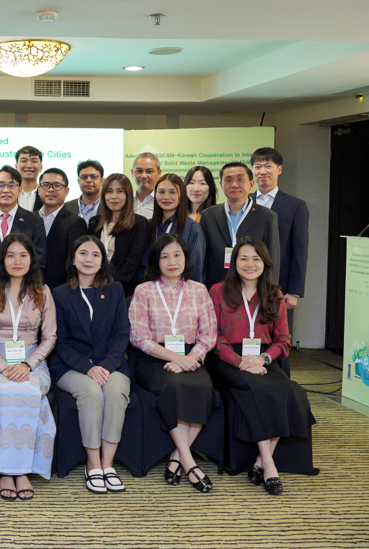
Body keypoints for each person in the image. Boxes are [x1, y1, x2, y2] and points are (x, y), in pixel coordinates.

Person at [207, 236, 315, 495]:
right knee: (259, 389)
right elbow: (213, 337)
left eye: (256, 259)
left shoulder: (274, 295)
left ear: (265, 263)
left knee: (292, 391)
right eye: (243, 258)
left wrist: (263, 358)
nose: (250, 264)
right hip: (226, 359)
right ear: (234, 262)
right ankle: (269, 464)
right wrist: (240, 362)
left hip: (262, 358)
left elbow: (283, 340)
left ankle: (260, 460)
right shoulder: (218, 291)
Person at [128, 233, 217, 492]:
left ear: (186, 258)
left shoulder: (199, 290)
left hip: (191, 356)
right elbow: (138, 337)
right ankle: (189, 462)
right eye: (164, 257)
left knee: (203, 388)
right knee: (175, 386)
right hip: (154, 358)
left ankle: (178, 457)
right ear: (156, 261)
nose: (172, 262)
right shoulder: (144, 290)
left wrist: (188, 359)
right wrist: (176, 358)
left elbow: (209, 335)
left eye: (177, 255)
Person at [0, 234, 56, 501]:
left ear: (31, 259)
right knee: (4, 392)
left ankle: (21, 471)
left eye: (23, 255)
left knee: (31, 391)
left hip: (33, 361)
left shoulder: (43, 291)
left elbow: (50, 337)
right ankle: (7, 472)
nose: (17, 261)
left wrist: (28, 364)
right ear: (2, 260)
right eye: (11, 255)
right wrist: (2, 366)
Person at [50, 235, 130, 494]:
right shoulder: (60, 294)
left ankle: (108, 464)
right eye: (83, 253)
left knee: (115, 393)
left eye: (95, 255)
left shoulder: (115, 290)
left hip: (111, 363)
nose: (89, 259)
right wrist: (88, 368)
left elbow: (121, 334)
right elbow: (61, 342)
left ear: (102, 260)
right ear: (73, 259)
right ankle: (93, 464)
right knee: (92, 393)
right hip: (71, 366)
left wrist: (105, 366)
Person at [200, 163, 280, 288]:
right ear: (221, 185)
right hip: (215, 287)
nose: (234, 185)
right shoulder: (208, 215)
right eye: (228, 180)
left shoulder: (267, 216)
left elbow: (272, 258)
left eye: (240, 179)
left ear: (251, 184)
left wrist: (270, 290)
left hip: (254, 288)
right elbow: (202, 258)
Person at [251, 148, 309, 314]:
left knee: (278, 328)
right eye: (257, 167)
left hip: (279, 285)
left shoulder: (295, 206)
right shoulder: (244, 202)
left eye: (268, 166)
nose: (262, 171)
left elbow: (300, 250)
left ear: (279, 169)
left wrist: (294, 291)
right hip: (245, 282)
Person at [0, 166, 47, 286]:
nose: (6, 190)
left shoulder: (34, 222)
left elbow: (39, 261)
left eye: (11, 185)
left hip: (24, 289)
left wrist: (23, 288)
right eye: (1, 185)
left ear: (19, 189)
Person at [88, 173, 149, 297]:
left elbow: (132, 262)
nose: (114, 196)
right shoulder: (94, 223)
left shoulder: (139, 223)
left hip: (124, 291)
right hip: (94, 288)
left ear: (128, 195)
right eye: (109, 191)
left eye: (120, 191)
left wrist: (112, 287)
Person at [147, 173, 205, 284]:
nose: (166, 197)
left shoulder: (193, 229)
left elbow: (195, 270)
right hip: (151, 289)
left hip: (181, 291)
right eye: (161, 192)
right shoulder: (148, 226)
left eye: (172, 192)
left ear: (181, 195)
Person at [38, 168, 88, 290]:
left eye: (56, 185)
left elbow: (75, 262)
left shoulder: (75, 223)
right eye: (46, 185)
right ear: (39, 190)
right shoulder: (29, 219)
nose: (50, 189)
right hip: (29, 288)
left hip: (60, 289)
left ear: (66, 191)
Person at [62, 160, 104, 226]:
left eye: (93, 177)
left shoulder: (110, 207)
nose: (88, 180)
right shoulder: (65, 208)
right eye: (84, 177)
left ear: (102, 181)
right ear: (78, 181)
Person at [131, 152, 161, 220]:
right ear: (132, 173)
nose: (144, 176)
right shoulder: (126, 201)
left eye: (149, 171)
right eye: (139, 171)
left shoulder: (163, 202)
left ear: (159, 173)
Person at [15, 145, 44, 211]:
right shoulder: (8, 193)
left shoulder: (46, 194)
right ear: (16, 167)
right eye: (24, 161)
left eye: (34, 161)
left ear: (41, 167)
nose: (29, 165)